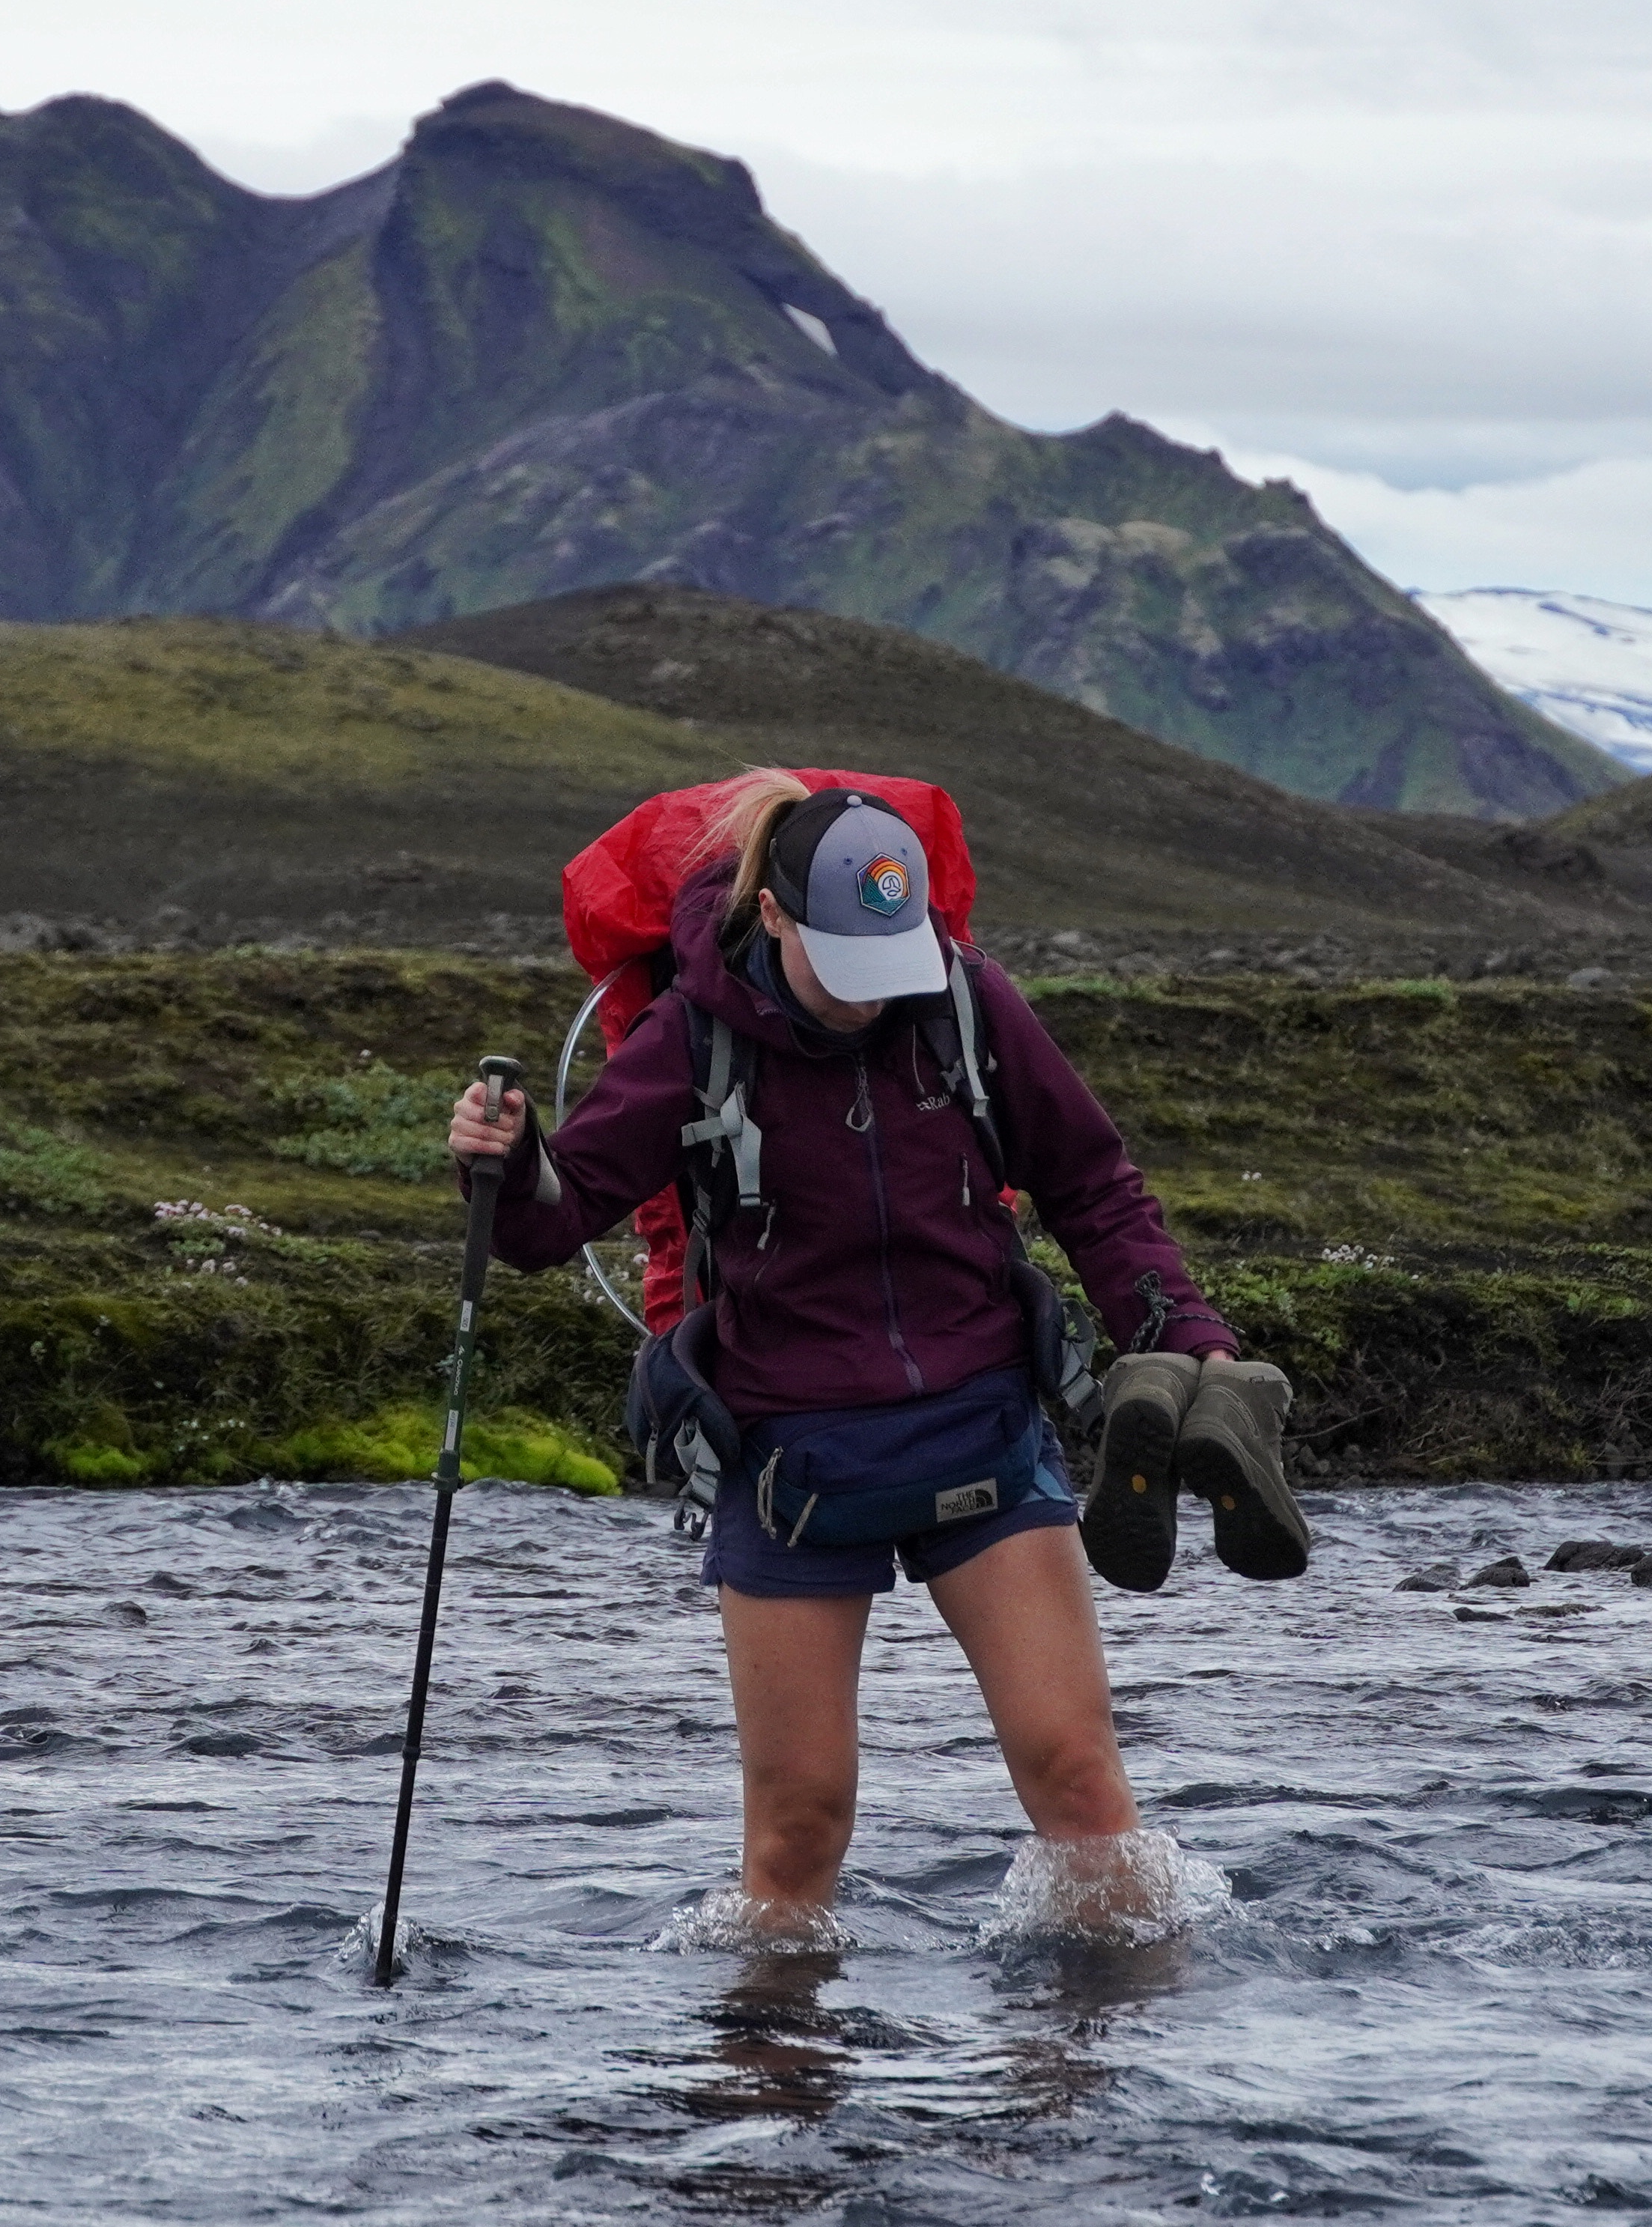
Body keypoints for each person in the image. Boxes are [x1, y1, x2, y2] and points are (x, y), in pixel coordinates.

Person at [447, 771, 1241, 1939]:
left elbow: (1091, 1187)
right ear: (771, 916)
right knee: (797, 1833)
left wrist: (1191, 1350)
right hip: (788, 1467)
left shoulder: (966, 1001)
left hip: (984, 1433)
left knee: (1080, 1786)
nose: (876, 1000)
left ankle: (1091, 2100)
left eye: (895, 962)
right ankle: (773, 2086)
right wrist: (507, 1167)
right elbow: (550, 1227)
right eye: (847, 969)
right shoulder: (692, 1037)